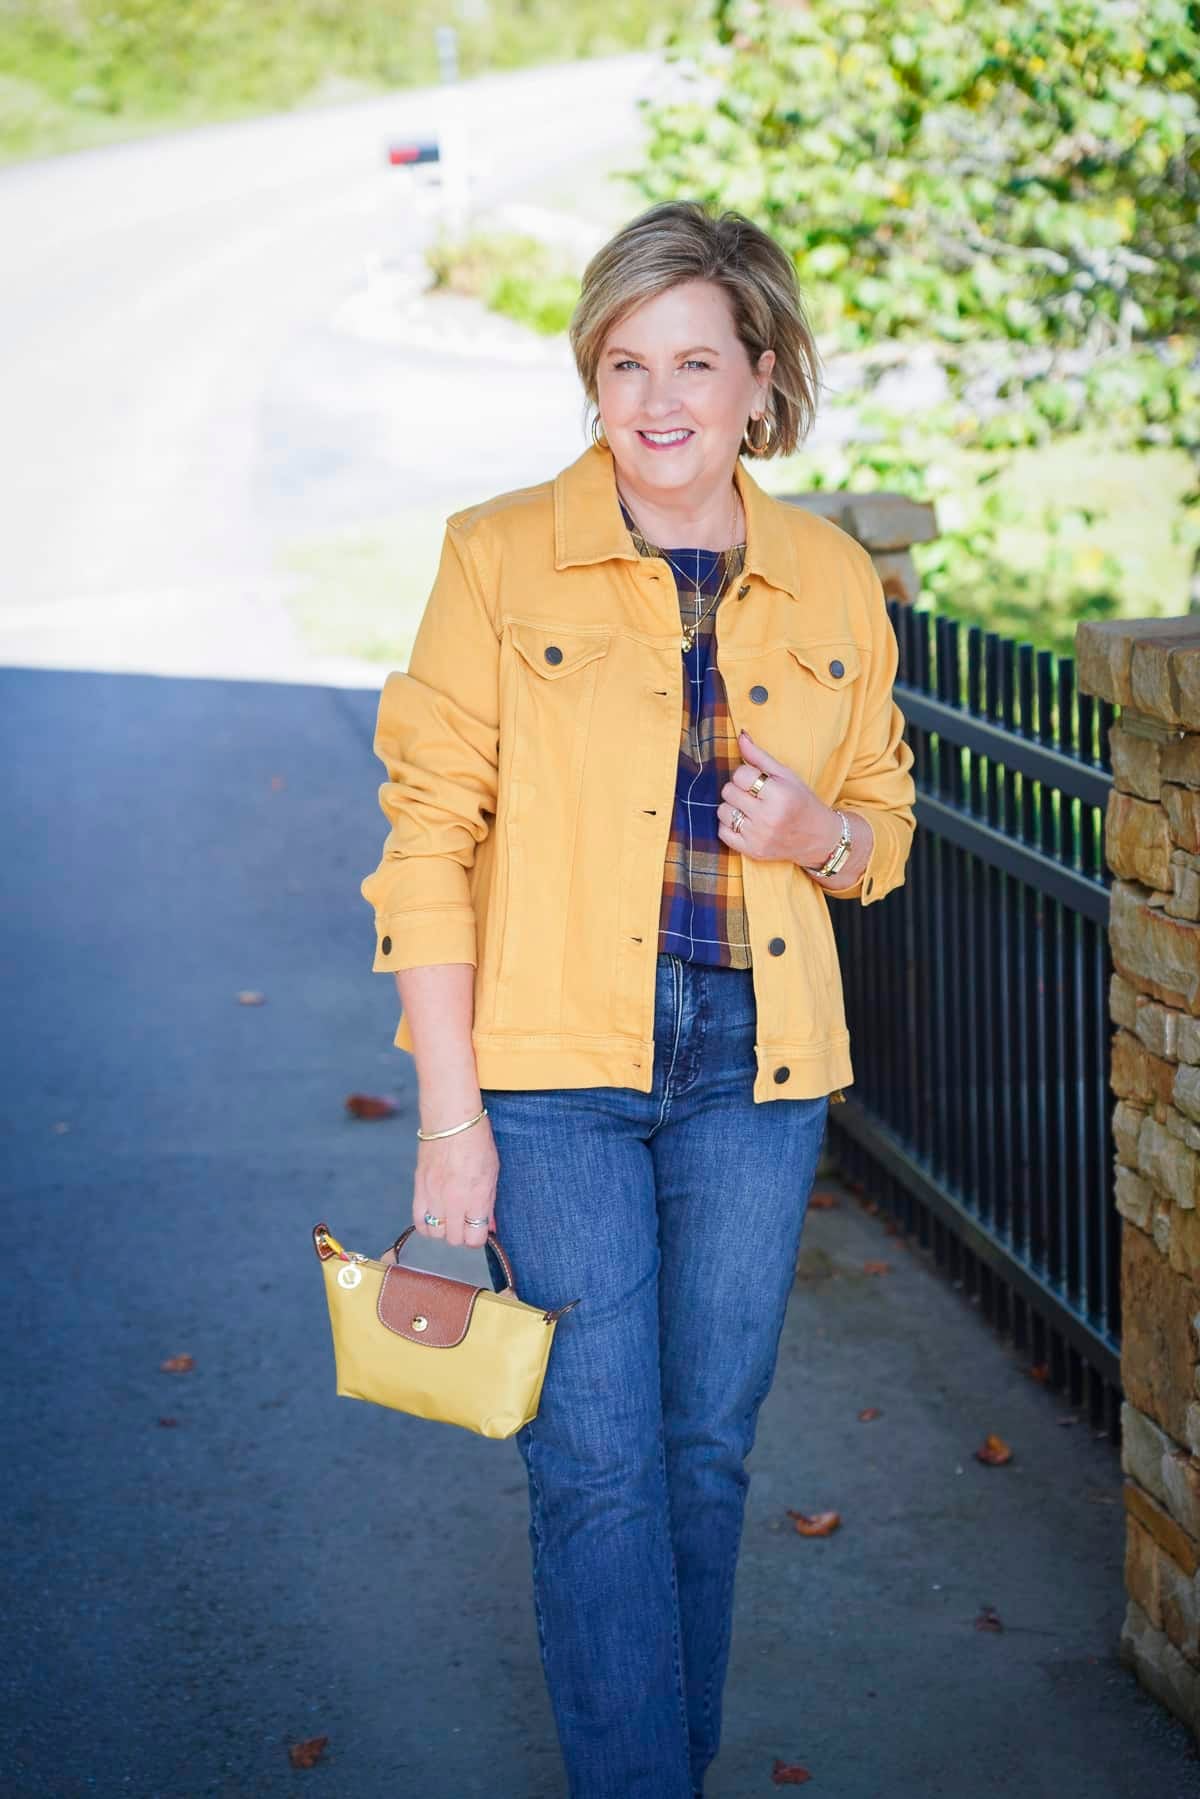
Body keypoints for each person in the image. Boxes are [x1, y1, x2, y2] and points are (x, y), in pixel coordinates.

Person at [360, 199, 917, 1799]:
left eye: (694, 361)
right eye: (624, 363)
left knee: (700, 1459)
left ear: (761, 377)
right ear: (591, 379)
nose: (658, 399)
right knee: (594, 1466)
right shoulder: (495, 554)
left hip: (759, 1068)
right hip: (549, 1072)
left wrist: (823, 835)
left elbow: (883, 819)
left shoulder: (825, 579)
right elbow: (426, 847)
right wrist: (451, 1123)